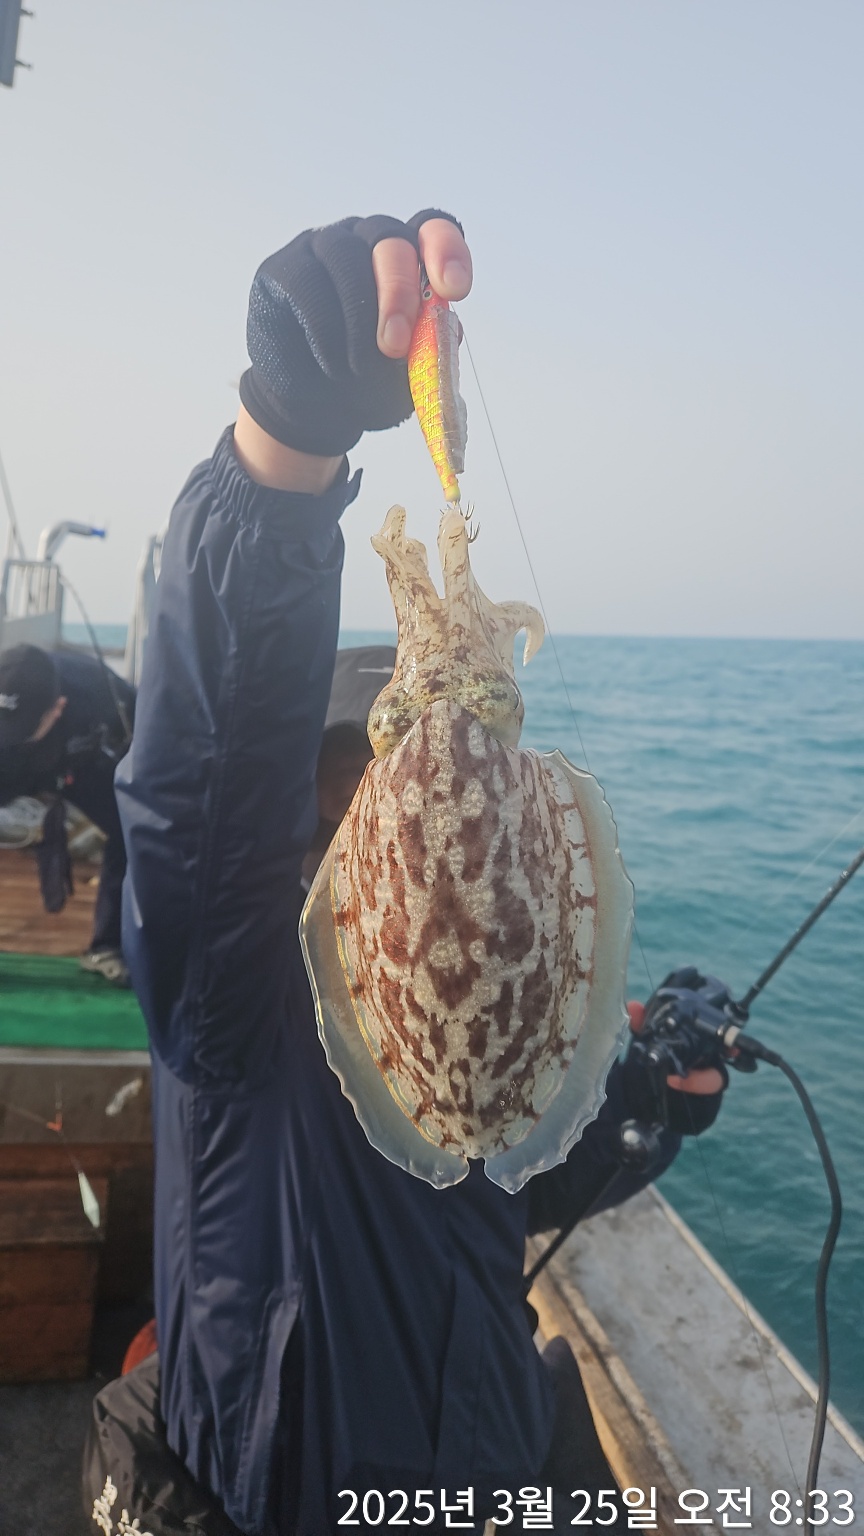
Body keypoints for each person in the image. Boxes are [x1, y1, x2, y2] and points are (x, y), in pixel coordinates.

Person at [107, 212, 726, 1535]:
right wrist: (283, 446)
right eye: (359, 763)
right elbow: (201, 783)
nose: (382, 803)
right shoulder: (233, 1002)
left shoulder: (482, 1010)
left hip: (477, 1466)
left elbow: (515, 1165)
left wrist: (651, 1098)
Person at [0, 641, 135, 982]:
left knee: (132, 830)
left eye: (20, 728)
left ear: (57, 708)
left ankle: (107, 946)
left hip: (81, 763)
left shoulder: (101, 691)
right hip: (10, 766)